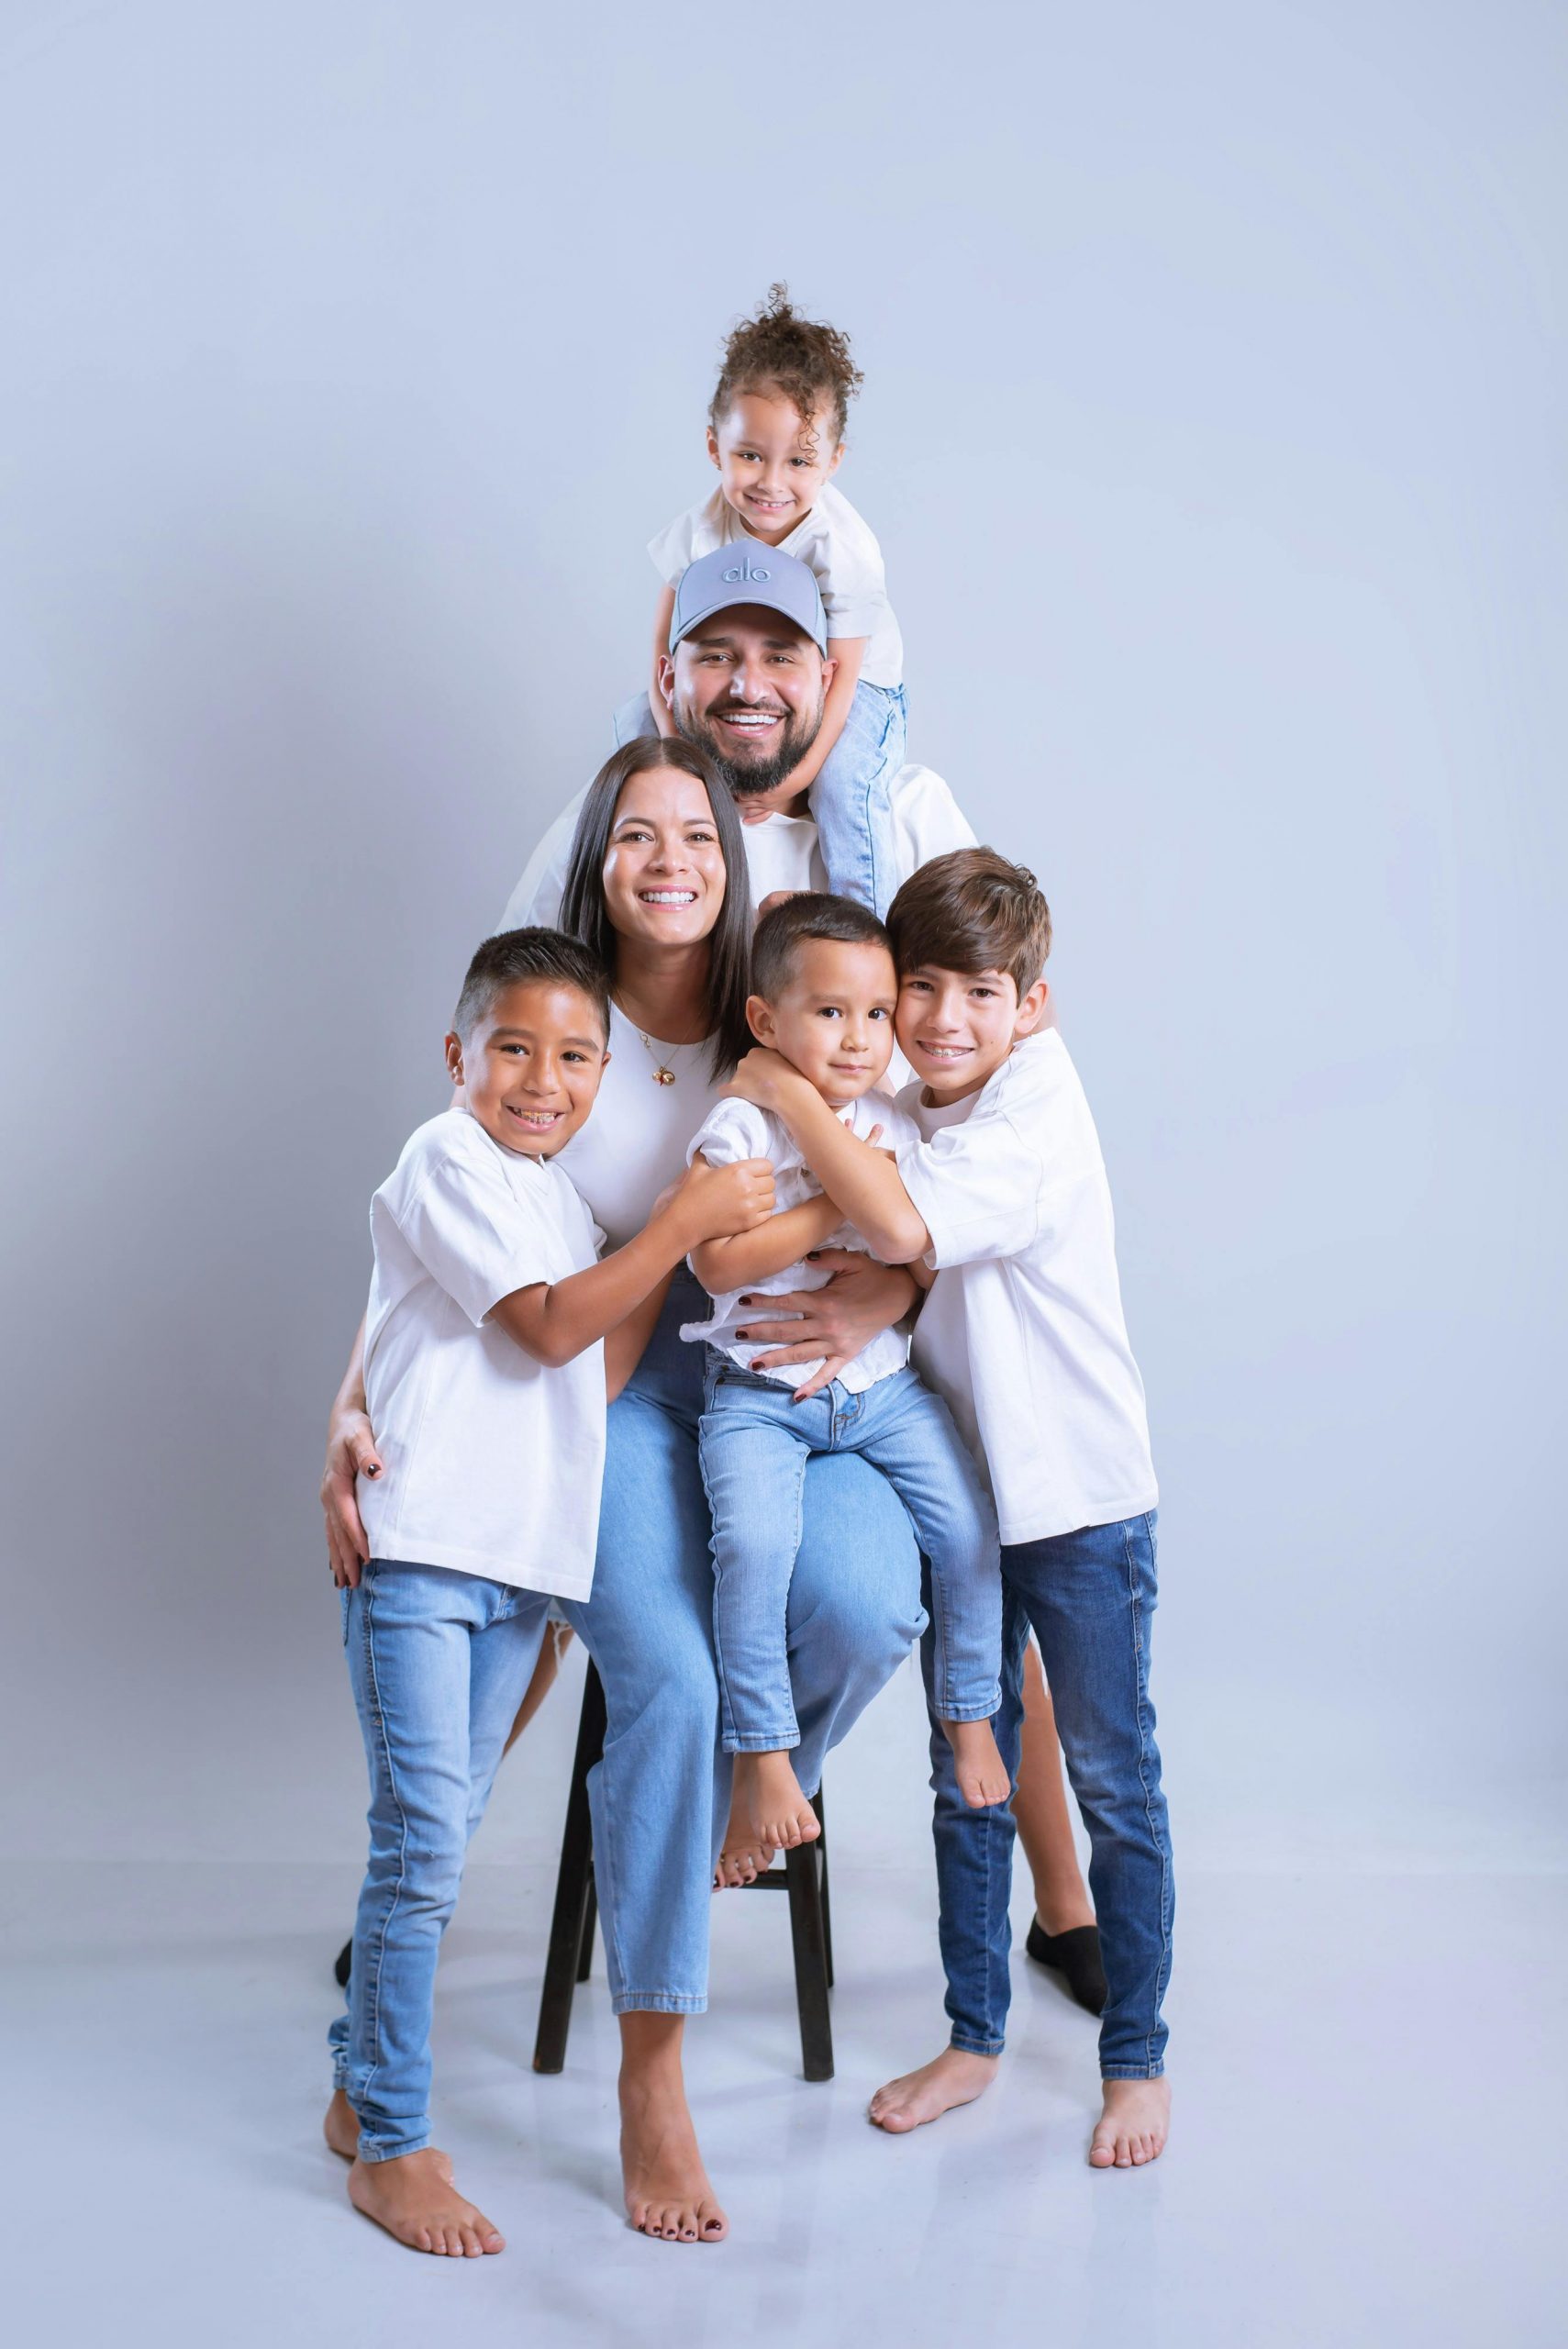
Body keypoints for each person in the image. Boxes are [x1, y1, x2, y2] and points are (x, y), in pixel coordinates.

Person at [322, 740, 928, 2244]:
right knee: (657, 1675)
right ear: (596, 859)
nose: (668, 861)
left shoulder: (781, 1018)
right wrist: (346, 1409)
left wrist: (867, 1308)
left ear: (737, 868)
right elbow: (448, 1239)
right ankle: (650, 2070)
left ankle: (759, 1763)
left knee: (866, 1601)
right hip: (599, 1403)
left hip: (775, 1386)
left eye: (697, 841)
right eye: (636, 837)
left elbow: (901, 1195)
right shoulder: (552, 1022)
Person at [494, 543, 1106, 1988]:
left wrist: (898, 1271)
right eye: (719, 657)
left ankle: (1056, 1893)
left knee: (944, 1548)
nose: (748, 685)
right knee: (545, 1572)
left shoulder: (888, 809)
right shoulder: (638, 819)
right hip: (660, 1335)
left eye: (783, 657)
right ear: (672, 673)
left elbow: (980, 1041)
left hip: (858, 1310)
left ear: (835, 677)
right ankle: (424, 1873)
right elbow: (497, 1067)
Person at [324, 926, 772, 2255]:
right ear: (459, 1055)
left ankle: (362, 2084)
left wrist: (676, 1241)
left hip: (516, 1577)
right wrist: (684, 1225)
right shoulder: (446, 1157)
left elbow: (606, 1361)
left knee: (438, 1834)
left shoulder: (563, 1205)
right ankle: (392, 2146)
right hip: (419, 1558)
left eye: (577, 1057)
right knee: (418, 1851)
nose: (544, 1079)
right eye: (514, 1048)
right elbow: (549, 1328)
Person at [725, 848, 1173, 2170]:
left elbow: (905, 1231)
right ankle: (975, 2035)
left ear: (1031, 1006)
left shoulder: (1033, 1104)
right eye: (917, 989)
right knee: (962, 1767)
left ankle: (1135, 2061)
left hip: (1081, 1503)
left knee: (1112, 1780)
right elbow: (889, 1249)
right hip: (967, 1496)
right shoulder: (913, 1104)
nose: (941, 1020)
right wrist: (878, 1284)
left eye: (979, 993)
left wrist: (779, 1097)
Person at [683, 893, 1008, 1867]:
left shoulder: (890, 1119)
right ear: (765, 1023)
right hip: (759, 1400)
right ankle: (764, 1752)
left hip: (878, 1392)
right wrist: (834, 1195)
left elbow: (914, 1250)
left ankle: (968, 1713)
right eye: (830, 1013)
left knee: (965, 1525)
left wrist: (869, 1220)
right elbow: (716, 1263)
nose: (861, 1039)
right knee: (753, 1545)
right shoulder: (739, 1127)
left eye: (875, 1015)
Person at [628, 284, 906, 917]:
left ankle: (860, 929)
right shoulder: (701, 528)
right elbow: (661, 650)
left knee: (845, 790)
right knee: (631, 737)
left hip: (856, 687)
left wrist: (792, 780)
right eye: (749, 456)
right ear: (712, 449)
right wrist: (675, 741)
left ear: (833, 461)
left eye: (799, 461)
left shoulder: (846, 551)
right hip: (743, 674)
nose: (771, 483)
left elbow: (840, 683)